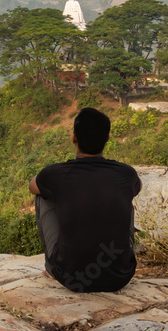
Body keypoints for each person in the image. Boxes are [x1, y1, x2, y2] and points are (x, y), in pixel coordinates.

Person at [28, 107, 141, 293]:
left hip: (72, 279)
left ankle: (51, 267)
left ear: (74, 138)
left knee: (42, 194)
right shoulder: (126, 173)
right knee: (127, 194)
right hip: (120, 277)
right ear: (107, 138)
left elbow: (32, 186)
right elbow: (138, 188)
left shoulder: (55, 174)